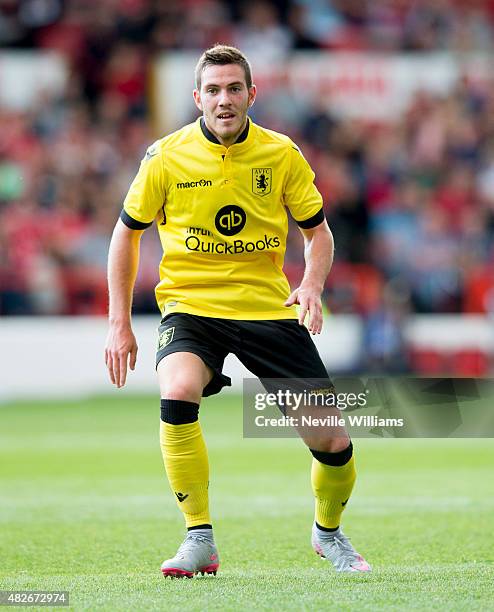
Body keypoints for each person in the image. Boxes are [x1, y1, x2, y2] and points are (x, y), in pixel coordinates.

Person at [105, 44, 371, 577]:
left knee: (334, 442)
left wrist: (312, 286)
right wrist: (118, 323)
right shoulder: (165, 157)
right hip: (191, 306)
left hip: (268, 309)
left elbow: (318, 234)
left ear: (251, 94)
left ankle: (329, 533)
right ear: (196, 97)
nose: (223, 99)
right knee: (177, 389)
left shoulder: (281, 154)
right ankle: (198, 538)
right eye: (212, 89)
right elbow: (125, 236)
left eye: (233, 89)